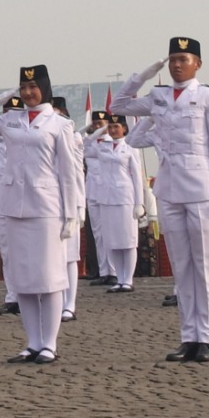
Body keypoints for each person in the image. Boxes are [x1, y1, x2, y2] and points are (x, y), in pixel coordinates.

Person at [112, 38, 209, 363]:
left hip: (202, 186)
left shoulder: (208, 96)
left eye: (183, 58)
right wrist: (142, 76)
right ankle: (188, 335)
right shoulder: (158, 96)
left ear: (198, 64)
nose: (177, 65)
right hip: (169, 186)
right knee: (181, 266)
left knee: (205, 265)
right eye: (172, 59)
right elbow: (118, 106)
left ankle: (208, 336)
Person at [0, 66, 85, 364]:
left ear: (44, 88)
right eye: (23, 87)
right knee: (22, 279)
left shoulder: (60, 124)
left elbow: (69, 173)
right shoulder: (10, 119)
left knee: (49, 276)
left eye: (33, 86)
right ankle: (32, 342)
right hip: (13, 205)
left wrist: (72, 213)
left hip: (46, 206)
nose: (28, 92)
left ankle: (49, 343)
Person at [85, 109, 153, 294]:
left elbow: (137, 178)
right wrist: (100, 130)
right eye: (111, 126)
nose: (114, 130)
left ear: (124, 129)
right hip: (106, 198)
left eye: (116, 126)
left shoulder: (130, 148)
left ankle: (127, 279)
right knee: (111, 240)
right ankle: (119, 279)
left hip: (125, 198)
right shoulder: (101, 147)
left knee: (128, 240)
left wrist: (140, 203)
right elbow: (84, 144)